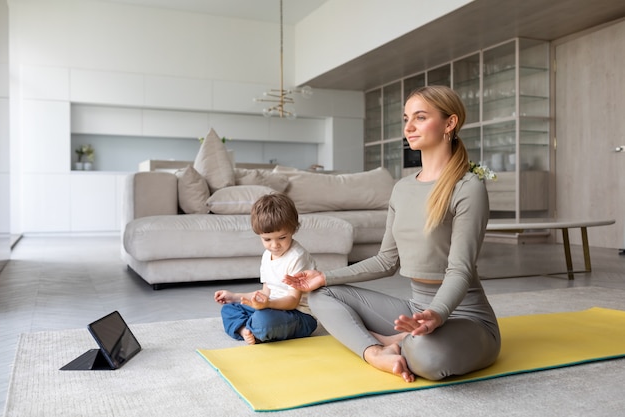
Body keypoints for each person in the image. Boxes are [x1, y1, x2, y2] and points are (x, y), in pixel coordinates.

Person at [284, 85, 501, 382]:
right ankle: (376, 351)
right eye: (406, 118)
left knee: (429, 359)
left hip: (466, 317)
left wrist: (437, 314)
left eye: (420, 118)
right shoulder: (402, 189)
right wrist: (325, 276)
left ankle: (395, 341)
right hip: (416, 308)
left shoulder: (468, 188)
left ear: (449, 123)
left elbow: (460, 270)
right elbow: (387, 261)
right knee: (320, 295)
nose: (409, 127)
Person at [214, 193, 318, 345]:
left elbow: (293, 301)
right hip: (271, 307)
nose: (274, 245)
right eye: (267, 239)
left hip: (299, 315)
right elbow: (265, 293)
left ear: (293, 230)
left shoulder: (297, 257)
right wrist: (235, 296)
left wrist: (267, 305)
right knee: (229, 309)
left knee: (264, 320)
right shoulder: (267, 256)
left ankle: (254, 327)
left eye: (282, 238)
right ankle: (245, 330)